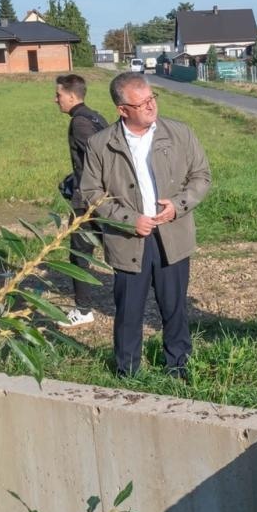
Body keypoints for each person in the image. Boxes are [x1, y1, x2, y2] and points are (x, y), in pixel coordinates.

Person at [77, 72, 212, 379]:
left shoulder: (180, 133)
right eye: (142, 103)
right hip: (127, 240)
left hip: (172, 236)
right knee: (128, 309)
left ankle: (178, 366)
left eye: (153, 99)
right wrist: (128, 220)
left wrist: (177, 206)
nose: (152, 107)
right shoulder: (100, 144)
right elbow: (91, 194)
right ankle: (128, 371)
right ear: (122, 109)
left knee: (174, 306)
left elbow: (201, 176)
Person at [54, 73, 110, 327]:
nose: (56, 100)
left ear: (73, 95)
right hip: (102, 196)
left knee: (79, 253)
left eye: (59, 95)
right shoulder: (95, 116)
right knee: (116, 247)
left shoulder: (79, 122)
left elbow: (98, 158)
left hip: (88, 201)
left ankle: (84, 310)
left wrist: (83, 185)